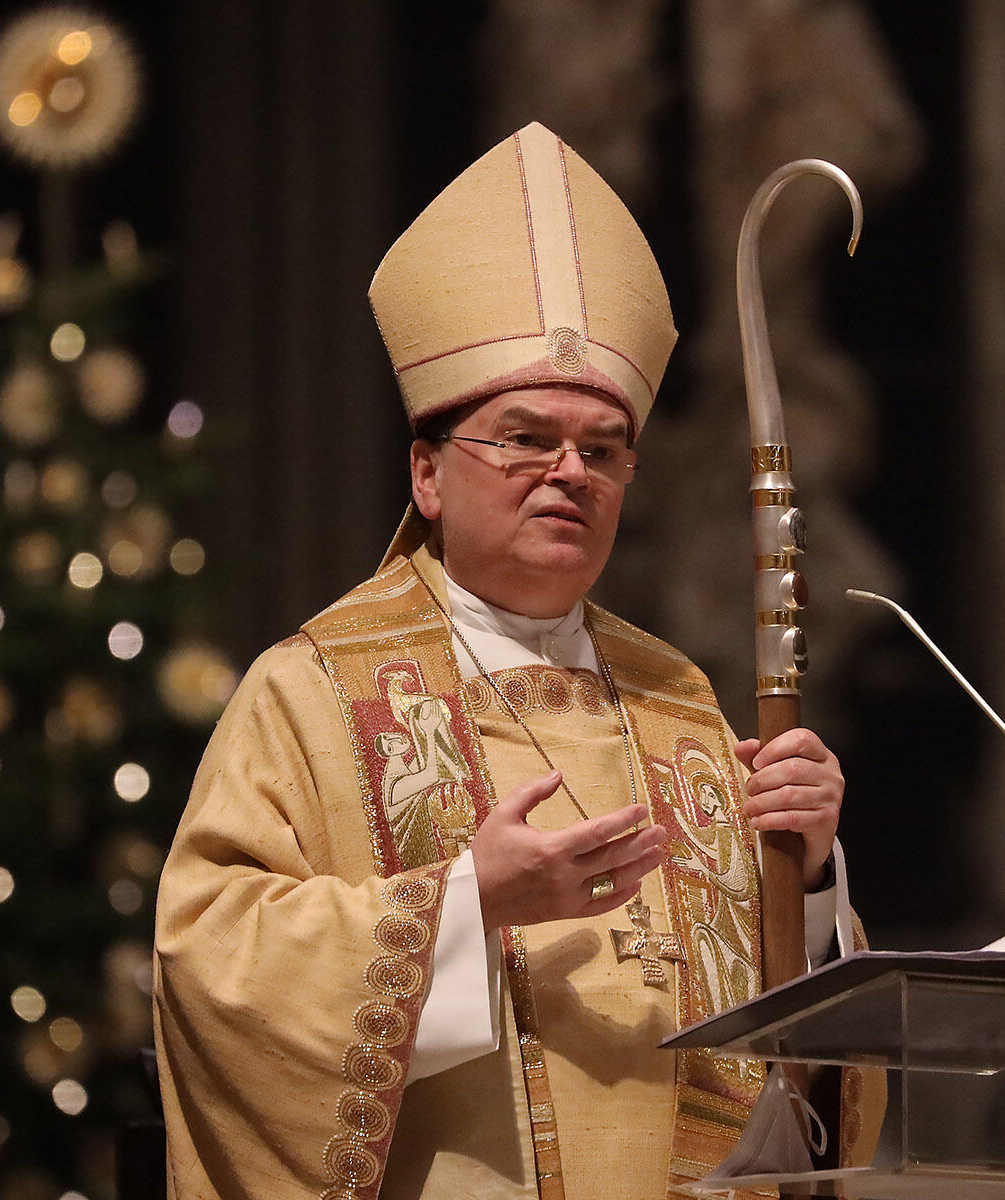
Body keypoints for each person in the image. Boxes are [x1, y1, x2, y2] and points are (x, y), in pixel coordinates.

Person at [153, 122, 882, 1200]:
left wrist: (811, 874)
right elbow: (208, 962)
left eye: (601, 449)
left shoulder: (676, 703)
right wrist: (461, 906)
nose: (568, 473)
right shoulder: (313, 690)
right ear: (428, 473)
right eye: (524, 437)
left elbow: (794, 1069)